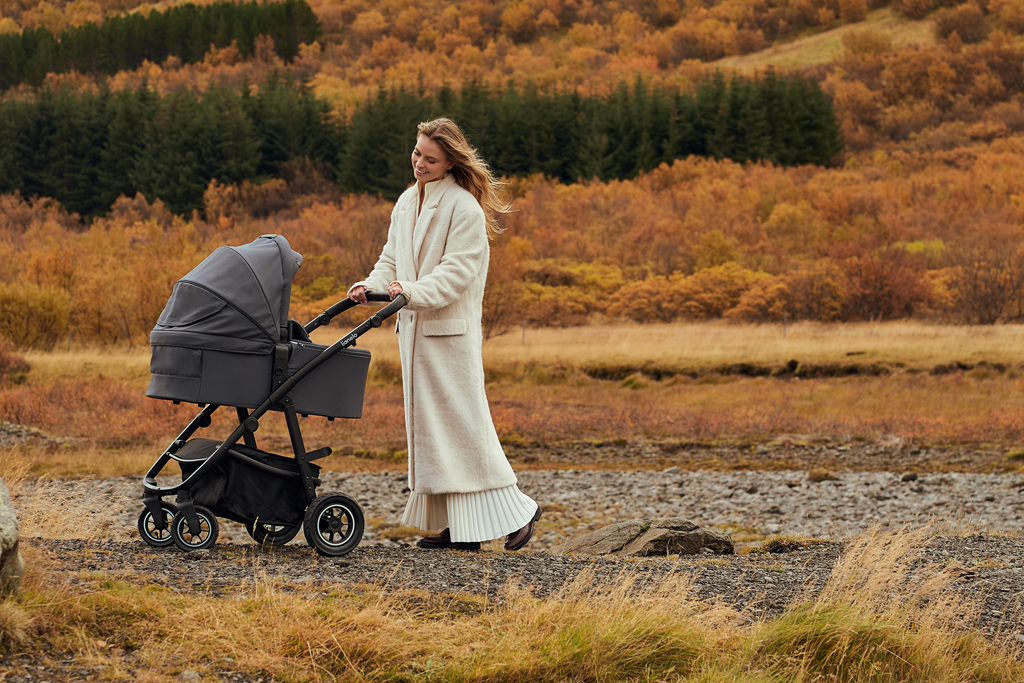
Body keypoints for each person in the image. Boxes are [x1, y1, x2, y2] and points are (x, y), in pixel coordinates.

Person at [347, 118, 541, 552]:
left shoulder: (465, 209)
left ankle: (521, 511)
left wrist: (410, 292)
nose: (419, 163)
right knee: (436, 432)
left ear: (451, 161)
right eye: (417, 153)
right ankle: (462, 529)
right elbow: (391, 259)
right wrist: (370, 286)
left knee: (465, 427)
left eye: (430, 158)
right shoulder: (405, 202)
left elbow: (456, 274)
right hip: (415, 336)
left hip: (448, 339)